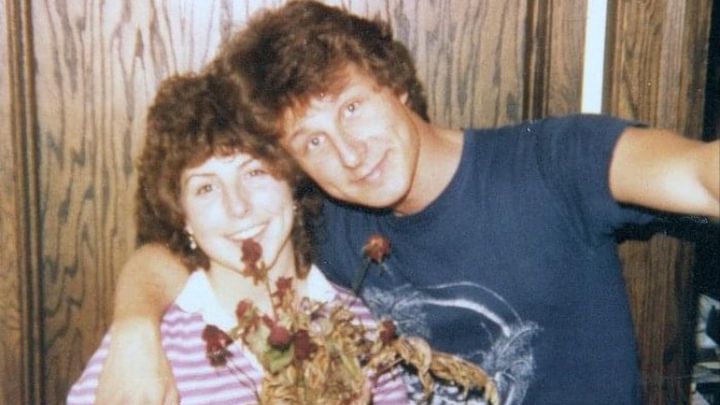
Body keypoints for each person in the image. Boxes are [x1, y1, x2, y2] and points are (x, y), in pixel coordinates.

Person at [94, 1, 720, 404]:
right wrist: (133, 329)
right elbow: (187, 250)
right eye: (313, 141)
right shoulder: (332, 227)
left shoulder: (552, 162)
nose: (349, 153)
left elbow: (699, 176)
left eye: (352, 106)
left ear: (393, 83)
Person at [67, 71, 410, 404]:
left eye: (254, 172)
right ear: (182, 216)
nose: (238, 207)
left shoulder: (357, 327)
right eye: (206, 188)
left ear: (291, 181)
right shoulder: (144, 355)